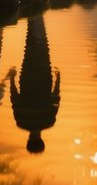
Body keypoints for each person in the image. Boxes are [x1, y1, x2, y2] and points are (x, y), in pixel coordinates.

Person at [8, 15, 60, 153]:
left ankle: (34, 20)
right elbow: (14, 98)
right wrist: (12, 79)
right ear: (28, 141)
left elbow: (55, 98)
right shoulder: (21, 122)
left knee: (42, 50)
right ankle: (33, 21)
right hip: (27, 78)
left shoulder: (49, 121)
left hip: (43, 78)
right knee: (29, 50)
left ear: (41, 140)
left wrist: (58, 80)